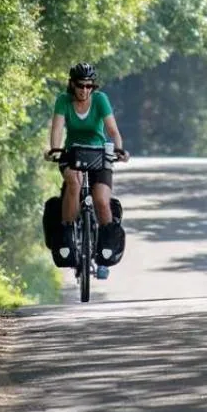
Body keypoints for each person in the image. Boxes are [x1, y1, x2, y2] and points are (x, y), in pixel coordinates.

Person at [46, 63, 129, 278]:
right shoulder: (63, 101)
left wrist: (119, 149)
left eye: (88, 86)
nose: (84, 90)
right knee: (73, 182)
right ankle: (67, 234)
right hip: (72, 154)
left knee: (101, 199)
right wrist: (54, 150)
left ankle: (105, 251)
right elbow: (57, 128)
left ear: (93, 86)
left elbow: (112, 130)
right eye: (80, 86)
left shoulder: (100, 100)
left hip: (99, 154)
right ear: (72, 85)